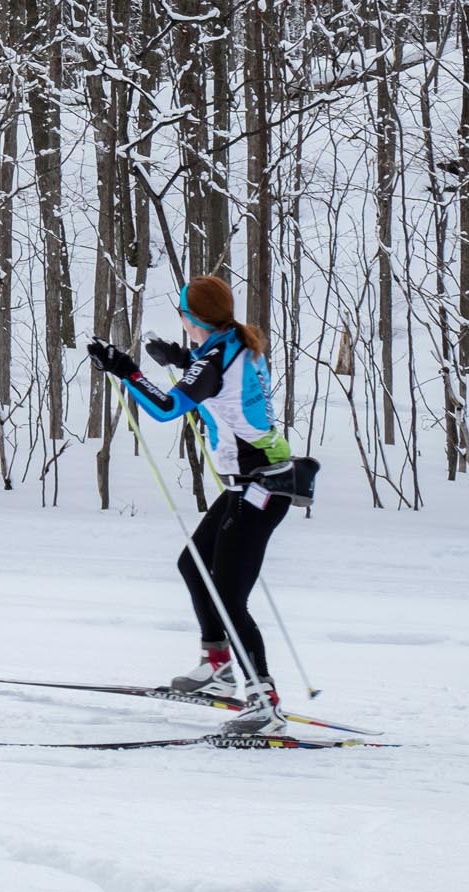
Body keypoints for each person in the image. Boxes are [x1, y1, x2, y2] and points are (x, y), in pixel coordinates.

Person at [87, 275, 295, 735]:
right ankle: (218, 669)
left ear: (192, 318)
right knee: (193, 564)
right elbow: (216, 380)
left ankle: (264, 701)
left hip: (260, 489)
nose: (180, 320)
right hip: (252, 483)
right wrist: (182, 358)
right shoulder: (233, 343)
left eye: (182, 314)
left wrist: (125, 369)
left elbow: (167, 408)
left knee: (228, 597)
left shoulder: (217, 357)